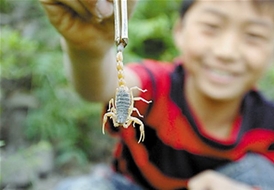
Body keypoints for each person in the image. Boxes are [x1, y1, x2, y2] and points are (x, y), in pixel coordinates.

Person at [39, 0, 274, 189]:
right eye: (211, 27)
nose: (227, 52)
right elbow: (104, 87)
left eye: (254, 36)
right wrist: (90, 52)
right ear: (179, 31)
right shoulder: (154, 86)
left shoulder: (267, 124)